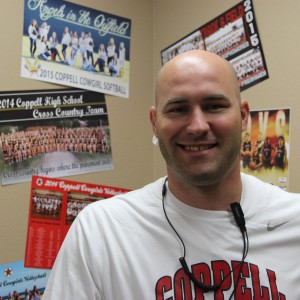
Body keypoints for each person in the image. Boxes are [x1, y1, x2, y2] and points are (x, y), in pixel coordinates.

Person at [43, 50, 300, 299]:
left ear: (244, 117)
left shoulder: (294, 222)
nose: (198, 126)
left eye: (214, 106)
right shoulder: (101, 231)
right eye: (178, 109)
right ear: (154, 122)